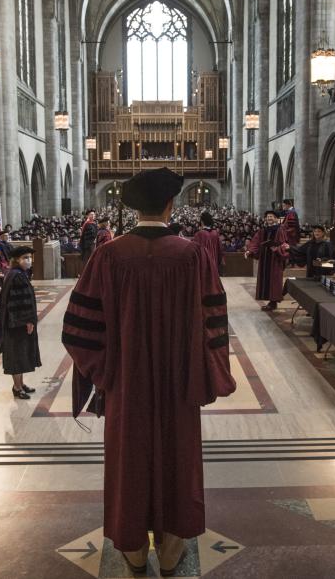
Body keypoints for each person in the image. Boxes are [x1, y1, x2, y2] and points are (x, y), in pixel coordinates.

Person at [62, 167, 235, 575]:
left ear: (132, 206)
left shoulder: (108, 254)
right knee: (179, 460)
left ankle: (134, 550)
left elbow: (79, 329)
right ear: (172, 204)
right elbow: (214, 321)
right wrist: (203, 373)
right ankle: (173, 550)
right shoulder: (194, 255)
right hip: (179, 387)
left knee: (130, 463)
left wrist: (108, 376)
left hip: (127, 389)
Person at [0, 246, 40, 400]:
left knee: (21, 354)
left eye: (29, 257)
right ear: (16, 260)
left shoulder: (18, 274)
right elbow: (19, 302)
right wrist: (27, 320)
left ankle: (20, 384)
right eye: (25, 257)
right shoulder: (17, 276)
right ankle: (17, 387)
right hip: (16, 325)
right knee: (16, 355)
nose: (28, 260)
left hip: (16, 323)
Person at [245, 210, 290, 311]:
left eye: (271, 216)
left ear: (276, 218)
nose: (269, 218)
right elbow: (255, 242)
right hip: (265, 259)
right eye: (268, 216)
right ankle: (270, 302)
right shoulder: (263, 231)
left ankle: (273, 303)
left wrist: (277, 249)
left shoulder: (280, 229)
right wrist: (250, 251)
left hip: (275, 260)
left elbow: (285, 244)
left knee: (274, 281)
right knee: (265, 280)